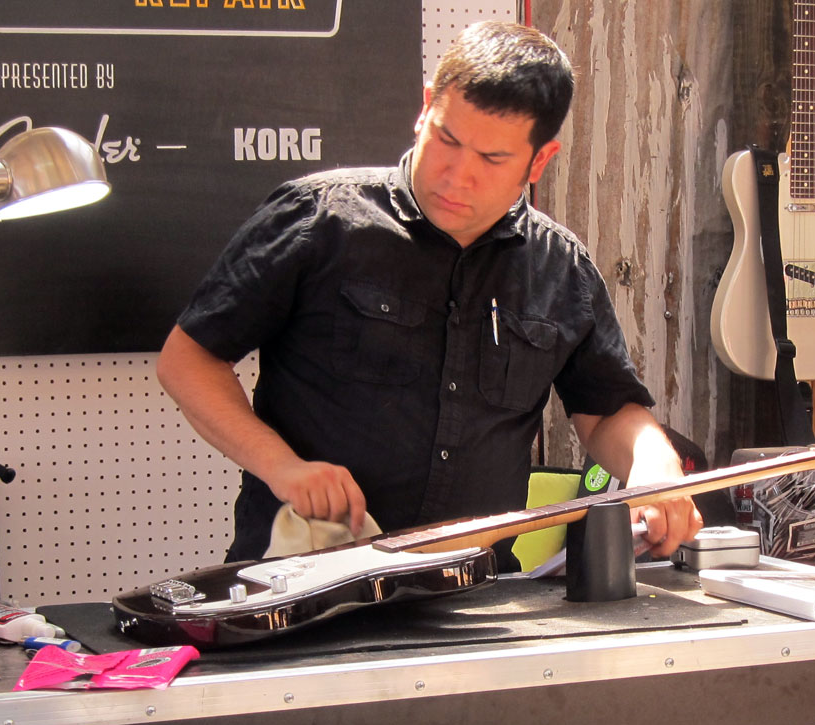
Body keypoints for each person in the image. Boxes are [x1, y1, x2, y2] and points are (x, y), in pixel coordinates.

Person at [157, 20, 702, 566]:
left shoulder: (561, 268)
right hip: (302, 579)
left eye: (491, 159)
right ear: (425, 109)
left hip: (476, 589)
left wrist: (656, 469)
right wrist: (282, 467)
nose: (457, 176)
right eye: (447, 139)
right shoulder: (316, 221)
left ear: (539, 160)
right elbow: (188, 361)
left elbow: (606, 415)